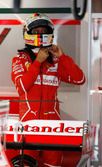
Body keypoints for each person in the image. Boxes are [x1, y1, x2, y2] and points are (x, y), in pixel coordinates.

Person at [11, 13, 86, 166]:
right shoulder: (19, 59)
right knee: (26, 164)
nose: (41, 34)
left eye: (44, 31)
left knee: (53, 165)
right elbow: (22, 88)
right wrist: (37, 62)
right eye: (37, 31)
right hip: (28, 125)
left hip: (52, 127)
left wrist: (62, 56)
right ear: (28, 33)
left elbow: (80, 79)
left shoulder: (56, 61)